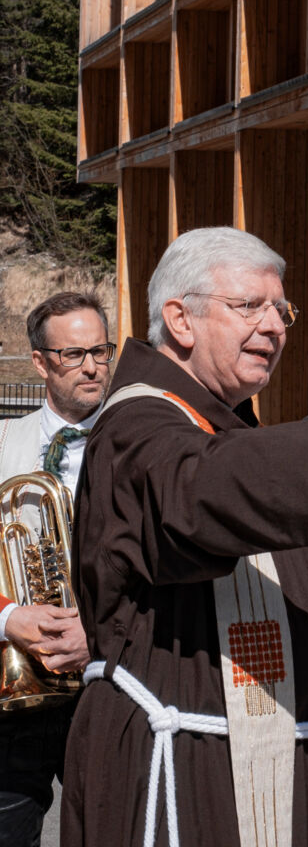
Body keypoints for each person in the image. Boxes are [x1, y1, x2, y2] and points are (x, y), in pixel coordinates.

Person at [60, 227, 308, 847]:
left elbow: (292, 602)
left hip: (273, 751)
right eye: (250, 306)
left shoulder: (234, 433)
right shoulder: (137, 419)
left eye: (282, 309)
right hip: (179, 758)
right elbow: (195, 499)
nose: (275, 325)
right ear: (180, 320)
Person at [0, 291, 113, 847]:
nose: (91, 366)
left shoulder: (137, 444)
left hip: (105, 684)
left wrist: (102, 633)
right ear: (40, 362)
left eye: (100, 350)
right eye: (73, 354)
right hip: (13, 685)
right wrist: (8, 617)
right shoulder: (2, 442)